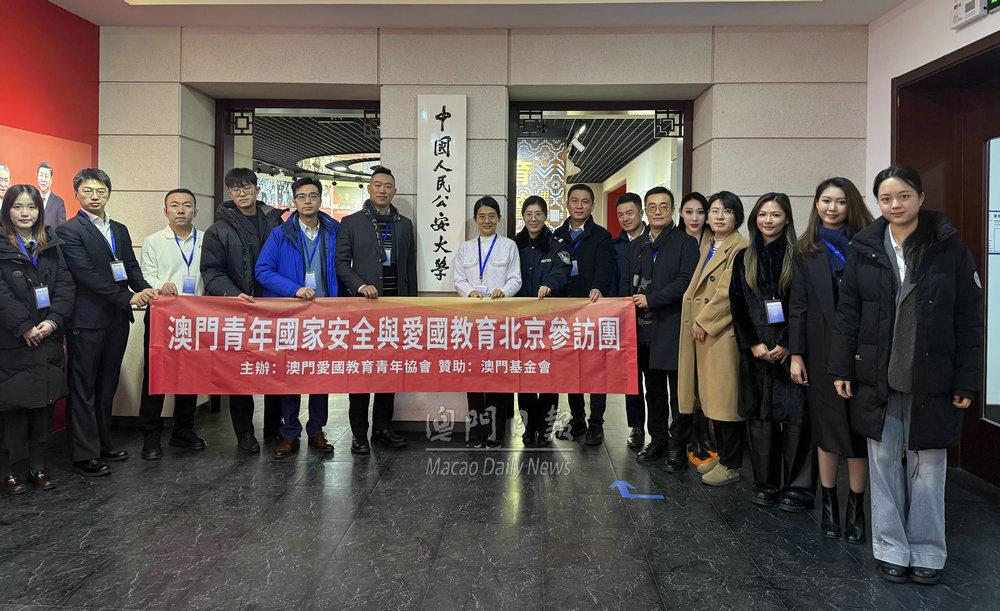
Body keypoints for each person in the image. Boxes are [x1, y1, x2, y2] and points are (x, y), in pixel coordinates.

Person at [831, 165, 983, 585]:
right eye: (886, 198)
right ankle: (891, 548)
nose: (895, 205)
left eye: (903, 196)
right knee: (883, 464)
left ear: (920, 197)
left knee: (928, 466)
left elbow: (970, 320)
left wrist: (967, 379)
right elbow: (848, 314)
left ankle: (928, 550)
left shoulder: (950, 250)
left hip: (933, 375)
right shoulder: (865, 249)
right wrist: (841, 367)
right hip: (877, 373)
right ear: (877, 202)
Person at [57, 169, 158, 476]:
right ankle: (83, 454)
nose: (95, 196)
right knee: (84, 387)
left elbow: (131, 266)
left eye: (101, 191)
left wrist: (145, 290)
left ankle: (103, 444)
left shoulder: (119, 229)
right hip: (86, 320)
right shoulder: (69, 230)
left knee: (107, 383)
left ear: (109, 194)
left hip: (117, 319)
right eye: (88, 191)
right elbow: (86, 275)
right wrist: (127, 297)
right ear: (76, 194)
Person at [789, 177, 874, 541]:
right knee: (826, 430)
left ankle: (856, 508)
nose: (832, 208)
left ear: (851, 204)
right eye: (826, 201)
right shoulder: (806, 248)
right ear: (816, 204)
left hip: (862, 349)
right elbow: (797, 305)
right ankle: (829, 506)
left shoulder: (868, 245)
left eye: (840, 201)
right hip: (820, 348)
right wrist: (796, 354)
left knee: (857, 432)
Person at [729, 193, 814, 510]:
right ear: (755, 219)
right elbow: (737, 305)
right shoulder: (744, 257)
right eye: (762, 214)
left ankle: (798, 488)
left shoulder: (800, 256)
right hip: (756, 351)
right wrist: (753, 343)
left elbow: (806, 305)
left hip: (792, 350)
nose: (768, 220)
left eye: (775, 214)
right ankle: (765, 484)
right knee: (760, 418)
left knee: (797, 420)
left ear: (787, 219)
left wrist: (789, 343)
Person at [200, 168, 285, 452]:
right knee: (241, 372)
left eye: (246, 187)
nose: (241, 193)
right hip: (239, 310)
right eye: (235, 189)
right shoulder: (218, 230)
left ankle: (274, 427)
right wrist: (232, 294)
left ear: (257, 189)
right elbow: (211, 272)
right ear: (229, 192)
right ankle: (244, 432)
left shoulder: (276, 222)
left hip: (275, 307)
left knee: (275, 368)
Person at [256, 177, 339, 459]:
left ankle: (316, 430)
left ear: (320, 199)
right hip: (291, 316)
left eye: (312, 196)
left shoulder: (334, 231)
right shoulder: (280, 234)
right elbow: (263, 270)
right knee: (290, 374)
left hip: (325, 316)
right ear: (294, 201)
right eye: (301, 196)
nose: (307, 201)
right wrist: (294, 289)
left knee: (321, 376)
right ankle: (290, 433)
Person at [335, 166, 415, 455]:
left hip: (395, 309)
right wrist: (360, 286)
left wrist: (411, 306)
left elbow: (409, 267)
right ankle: (359, 433)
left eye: (388, 186)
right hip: (364, 311)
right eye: (377, 185)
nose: (382, 190)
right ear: (369, 189)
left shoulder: (404, 224)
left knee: (388, 371)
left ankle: (382, 428)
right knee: (361, 372)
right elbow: (341, 263)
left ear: (394, 191)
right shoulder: (351, 222)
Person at [0, 185, 74, 493]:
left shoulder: (51, 244)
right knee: (11, 409)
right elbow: (2, 295)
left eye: (31, 207)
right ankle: (6, 473)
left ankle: (38, 468)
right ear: (7, 210)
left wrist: (52, 322)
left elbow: (66, 287)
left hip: (47, 339)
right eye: (17, 207)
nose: (25, 213)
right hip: (13, 341)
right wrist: (24, 326)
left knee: (43, 408)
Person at [622, 187, 699, 470]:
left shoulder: (685, 243)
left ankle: (678, 446)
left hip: (672, 325)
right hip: (642, 329)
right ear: (645, 211)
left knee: (678, 392)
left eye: (663, 206)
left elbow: (686, 282)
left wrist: (651, 299)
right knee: (652, 389)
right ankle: (658, 439)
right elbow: (626, 283)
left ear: (673, 210)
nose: (657, 212)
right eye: (652, 207)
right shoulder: (638, 245)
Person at [677, 191, 748, 486]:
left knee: (725, 400)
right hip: (704, 333)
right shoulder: (709, 243)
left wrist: (704, 322)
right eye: (715, 211)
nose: (719, 216)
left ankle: (731, 465)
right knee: (711, 399)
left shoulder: (740, 247)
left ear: (737, 217)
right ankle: (722, 456)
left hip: (721, 334)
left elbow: (729, 293)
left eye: (726, 211)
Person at [137, 188, 208, 460]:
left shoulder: (207, 239)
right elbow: (146, 275)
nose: (181, 210)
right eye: (175, 205)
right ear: (165, 211)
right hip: (163, 317)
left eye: (187, 205)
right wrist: (160, 285)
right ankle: (151, 436)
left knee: (190, 376)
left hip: (197, 317)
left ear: (195, 211)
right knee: (156, 375)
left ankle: (183, 430)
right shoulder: (154, 241)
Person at [454, 196, 521, 448]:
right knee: (473, 376)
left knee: (497, 376)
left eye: (492, 216)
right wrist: (469, 292)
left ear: (499, 219)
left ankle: (495, 433)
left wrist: (505, 291)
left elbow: (515, 278)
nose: (487, 221)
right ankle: (475, 432)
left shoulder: (509, 246)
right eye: (482, 216)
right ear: (475, 220)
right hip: (472, 323)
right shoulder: (466, 248)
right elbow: (459, 279)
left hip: (500, 321)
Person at [552, 184, 613, 445]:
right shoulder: (557, 235)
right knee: (571, 368)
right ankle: (577, 419)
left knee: (595, 369)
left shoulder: (601, 236)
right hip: (565, 312)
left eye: (585, 201)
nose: (579, 206)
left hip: (592, 310)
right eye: (574, 201)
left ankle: (596, 423)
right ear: (567, 204)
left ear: (592, 206)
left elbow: (605, 269)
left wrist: (598, 287)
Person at [514, 195, 570, 447]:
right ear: (523, 217)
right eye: (529, 214)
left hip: (550, 321)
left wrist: (550, 284)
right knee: (525, 376)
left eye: (538, 214)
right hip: (521, 322)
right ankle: (529, 428)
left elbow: (562, 272)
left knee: (549, 376)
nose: (533, 219)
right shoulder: (515, 244)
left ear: (545, 216)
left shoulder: (558, 244)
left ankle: (545, 429)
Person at [678, 191, 716, 464]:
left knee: (707, 378)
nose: (695, 218)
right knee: (686, 380)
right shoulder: (675, 240)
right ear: (680, 213)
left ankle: (707, 437)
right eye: (689, 212)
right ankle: (689, 437)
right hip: (681, 317)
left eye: (700, 212)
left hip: (709, 317)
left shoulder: (716, 241)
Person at [609, 192, 650, 450]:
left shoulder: (654, 241)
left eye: (630, 213)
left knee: (655, 380)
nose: (625, 218)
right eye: (620, 215)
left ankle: (660, 431)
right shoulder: (615, 246)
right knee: (632, 378)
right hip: (625, 320)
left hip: (654, 319)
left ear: (641, 213)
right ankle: (636, 427)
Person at [37, 162, 66, 229]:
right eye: (41, 175)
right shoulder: (32, 199)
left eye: (46, 176)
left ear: (51, 180)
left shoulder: (59, 202)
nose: (43, 180)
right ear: (37, 177)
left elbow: (62, 228)